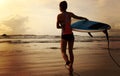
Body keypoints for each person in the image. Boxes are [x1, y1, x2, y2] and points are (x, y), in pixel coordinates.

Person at [56, 1, 88, 75]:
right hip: (71, 35)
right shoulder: (70, 14)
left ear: (60, 7)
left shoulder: (59, 16)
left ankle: (67, 62)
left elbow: (57, 27)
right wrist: (84, 18)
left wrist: (62, 26)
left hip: (64, 35)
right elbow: (78, 17)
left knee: (63, 51)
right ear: (66, 7)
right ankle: (71, 66)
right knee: (70, 51)